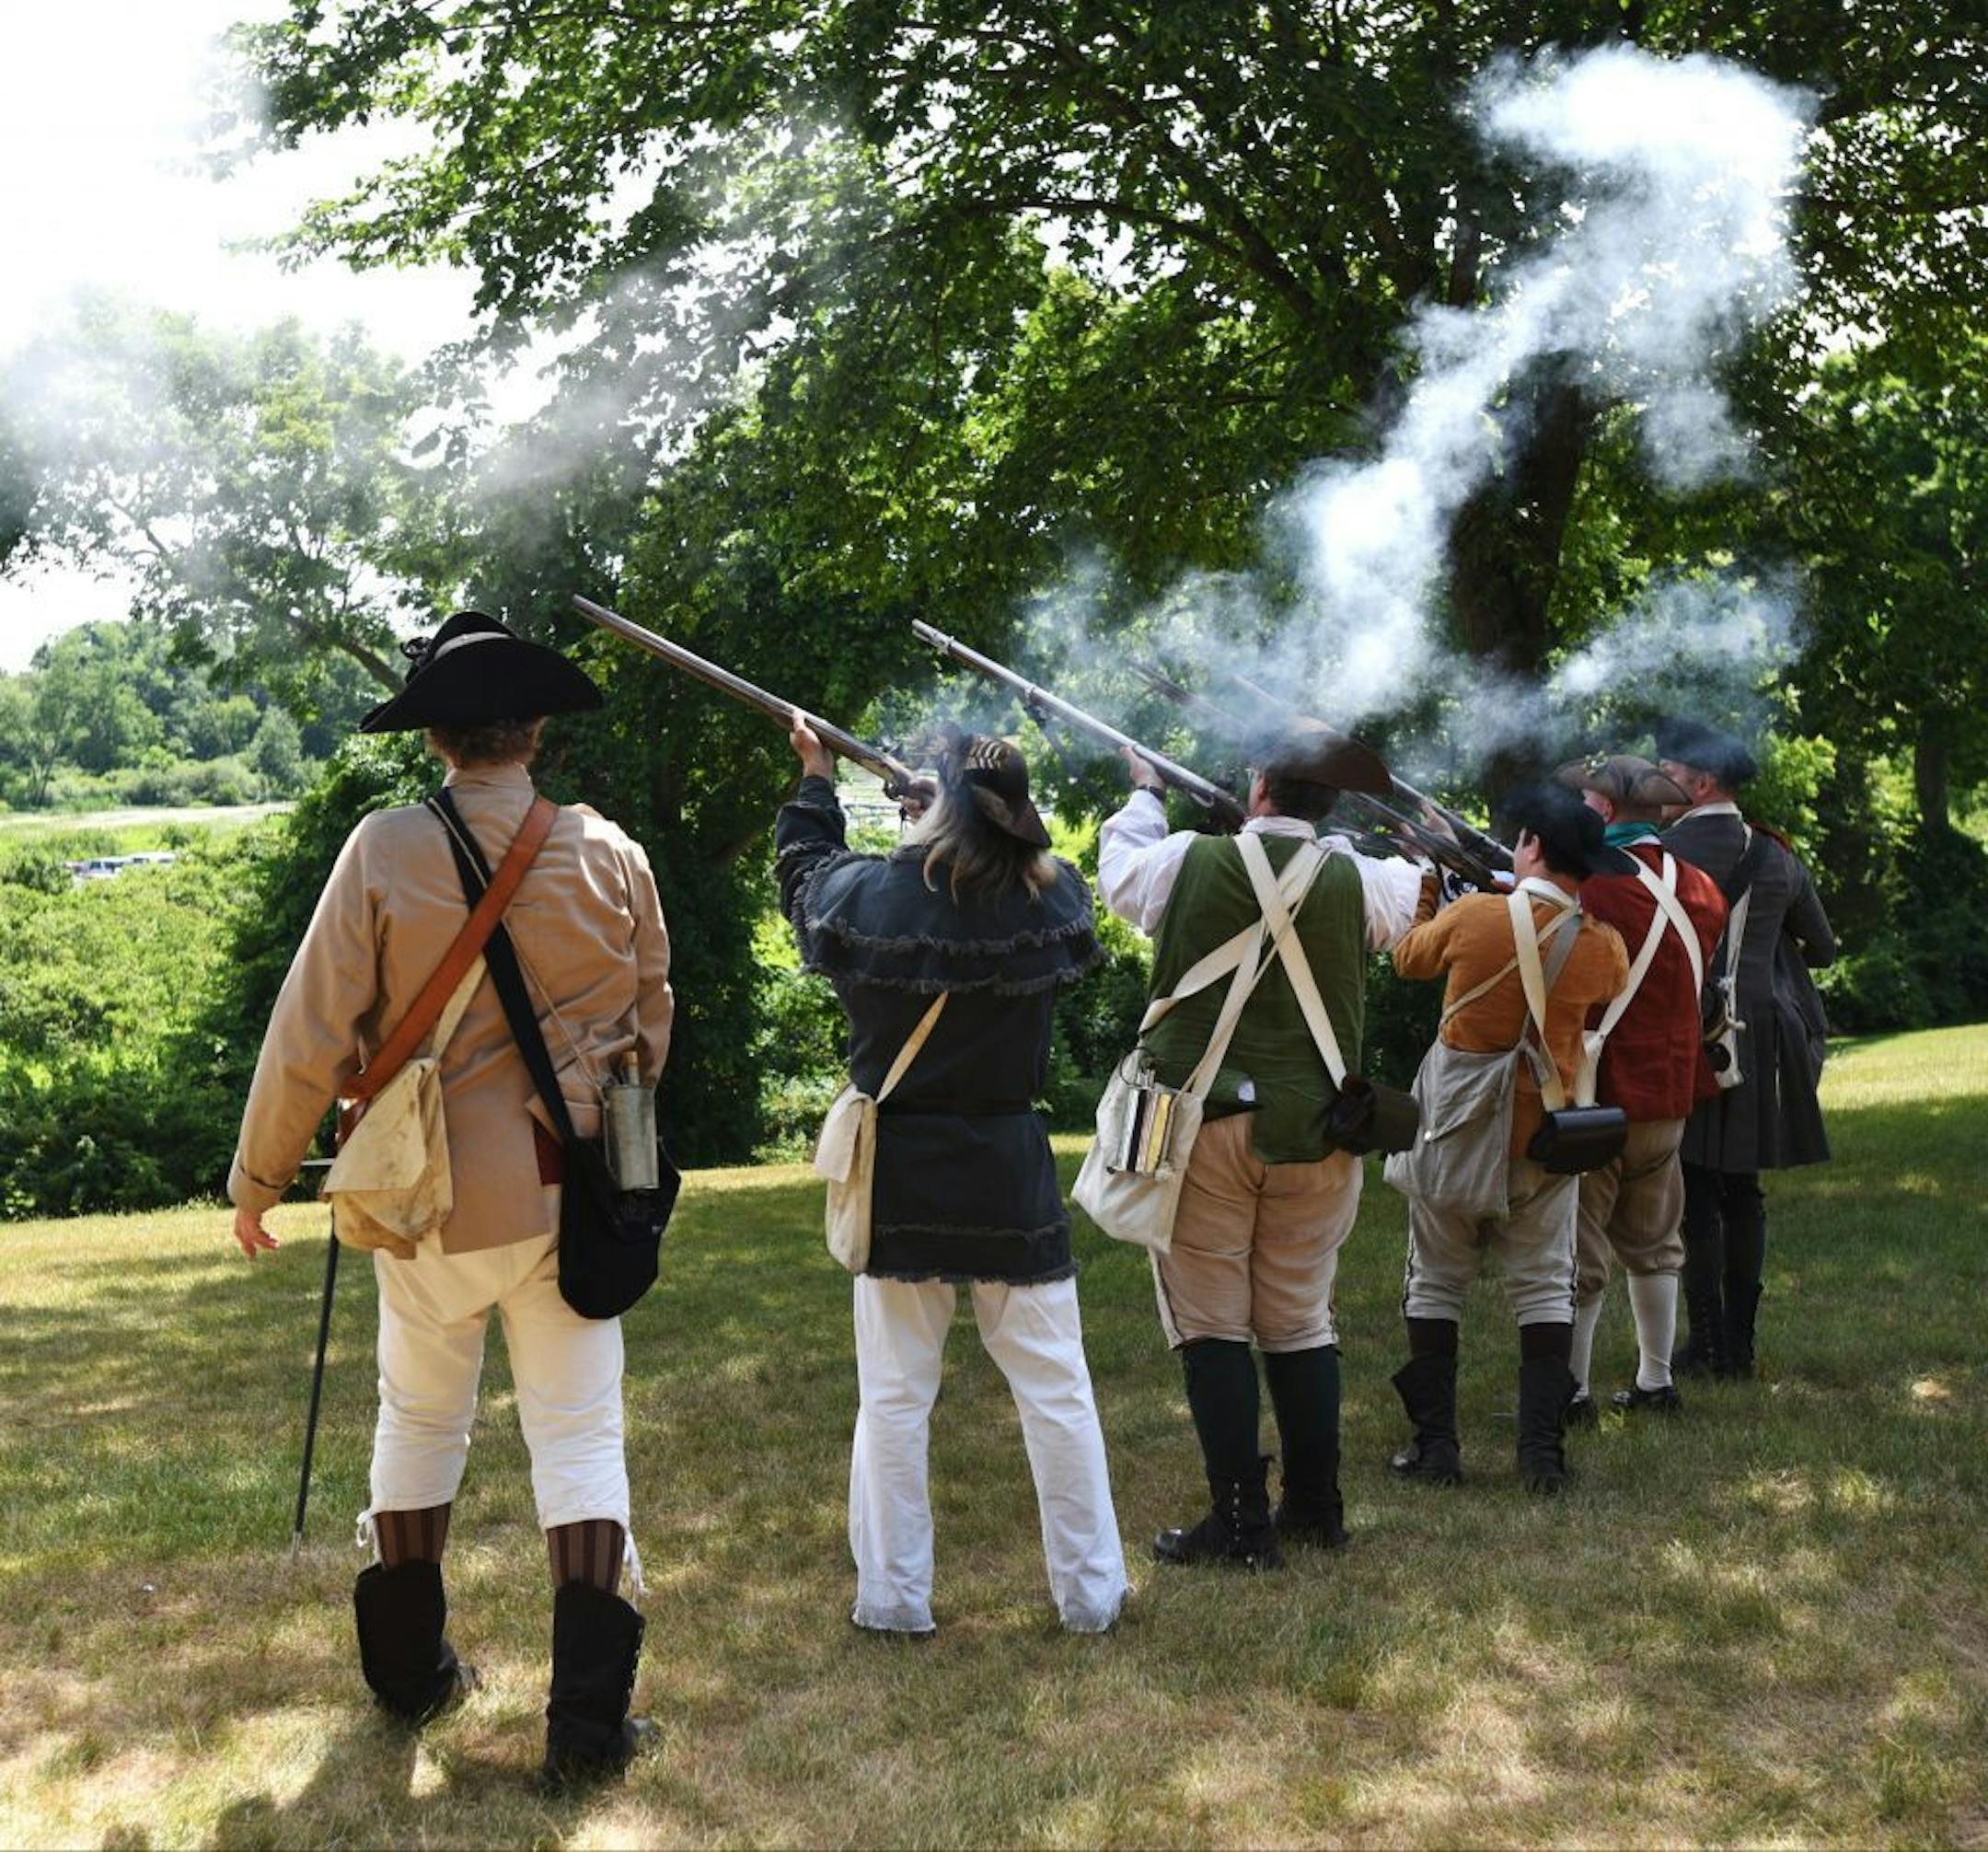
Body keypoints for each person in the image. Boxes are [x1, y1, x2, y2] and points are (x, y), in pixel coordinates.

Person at [227, 611, 674, 1785]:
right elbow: (649, 1032)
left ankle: (412, 1679)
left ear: (436, 736)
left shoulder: (384, 849)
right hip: (570, 1197)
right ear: (533, 728)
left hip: (421, 1200)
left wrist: (259, 1176)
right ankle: (585, 1733)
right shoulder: (612, 852)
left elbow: (311, 1028)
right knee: (579, 1441)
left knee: (418, 1418)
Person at [776, 716, 1127, 1638]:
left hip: (905, 1172)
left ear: (933, 805)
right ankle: (1091, 1595)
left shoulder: (877, 895)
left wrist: (816, 778)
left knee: (895, 1396)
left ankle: (894, 1598)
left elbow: (806, 872)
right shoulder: (1051, 899)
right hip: (1009, 1165)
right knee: (1057, 1392)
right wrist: (934, 806)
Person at [1097, 729, 1423, 1568]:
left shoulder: (1186, 860)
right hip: (1319, 1132)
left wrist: (1144, 790)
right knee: (1300, 1321)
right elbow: (1411, 893)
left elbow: (1119, 876)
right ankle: (1316, 1508)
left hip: (1200, 1129)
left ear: (1260, 786)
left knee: (1212, 1324)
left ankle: (1241, 1524)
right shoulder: (1369, 882)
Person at [1384, 783, 1631, 1493]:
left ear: (1530, 847)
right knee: (1544, 1290)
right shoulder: (1602, 946)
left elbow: (1408, 958)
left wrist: (1432, 884)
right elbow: (1587, 973)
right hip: (1546, 1136)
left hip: (1454, 1128)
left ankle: (1436, 1451)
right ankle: (1541, 1459)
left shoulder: (1474, 916)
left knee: (1434, 1282)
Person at [1657, 719, 1836, 1378]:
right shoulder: (1778, 855)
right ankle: (1742, 1347)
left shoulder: (1662, 854)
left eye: (1668, 772)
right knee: (1744, 1189)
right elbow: (1823, 947)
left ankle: (1703, 1344)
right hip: (1763, 1035)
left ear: (1701, 783)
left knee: (1698, 1189)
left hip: (1690, 1032)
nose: (1659, 783)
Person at [1552, 755, 1728, 1419]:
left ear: (1603, 811)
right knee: (1657, 1243)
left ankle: (1572, 1392)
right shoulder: (1704, 888)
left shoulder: (1587, 888)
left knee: (1581, 1249)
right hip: (1670, 1089)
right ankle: (1656, 1381)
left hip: (1598, 1090)